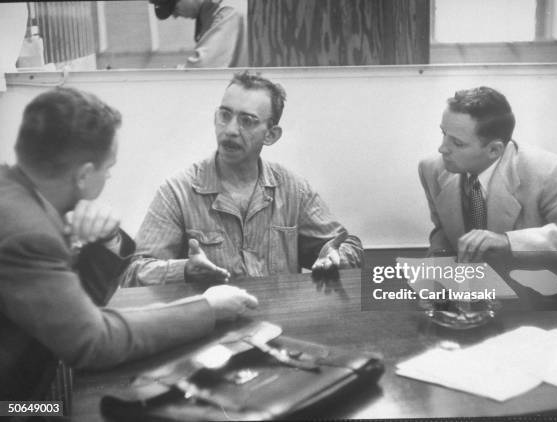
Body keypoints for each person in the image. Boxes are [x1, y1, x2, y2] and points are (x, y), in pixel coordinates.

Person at [0, 87, 258, 400]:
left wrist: (105, 241)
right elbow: (94, 341)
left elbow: (81, 313)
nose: (109, 177)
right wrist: (207, 309)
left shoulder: (16, 194)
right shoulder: (29, 233)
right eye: (109, 168)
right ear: (83, 175)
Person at [123, 71, 362, 286]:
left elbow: (348, 245)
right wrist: (184, 270)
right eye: (225, 116)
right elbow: (135, 272)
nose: (230, 130)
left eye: (247, 121)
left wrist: (335, 258)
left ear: (270, 135)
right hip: (212, 327)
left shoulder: (293, 189)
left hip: (281, 322)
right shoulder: (177, 192)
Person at [418, 86, 557, 265]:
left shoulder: (549, 172)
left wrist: (509, 242)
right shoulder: (432, 168)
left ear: (494, 149)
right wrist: (438, 259)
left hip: (533, 290)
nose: (442, 148)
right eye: (444, 133)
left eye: (457, 143)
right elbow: (444, 229)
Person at [150, 0, 247, 68]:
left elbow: (205, 66)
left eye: (174, 8)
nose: (175, 16)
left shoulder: (227, 10)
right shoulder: (209, 11)